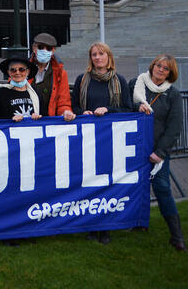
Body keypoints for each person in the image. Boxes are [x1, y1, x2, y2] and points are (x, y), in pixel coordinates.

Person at [72, 41, 131, 244]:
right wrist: (83, 112)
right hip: (87, 139)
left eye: (101, 54)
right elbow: (73, 107)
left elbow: (127, 109)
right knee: (88, 182)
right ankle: (91, 224)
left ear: (109, 57)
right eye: (94, 54)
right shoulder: (82, 79)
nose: (98, 57)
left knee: (107, 183)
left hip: (111, 140)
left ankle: (105, 226)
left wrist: (108, 109)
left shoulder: (119, 80)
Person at [130, 54, 187, 251]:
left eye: (165, 68)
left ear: (170, 73)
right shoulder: (136, 84)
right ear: (152, 65)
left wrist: (161, 152)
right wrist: (137, 105)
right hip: (134, 147)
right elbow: (124, 106)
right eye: (158, 65)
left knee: (162, 188)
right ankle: (138, 223)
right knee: (135, 186)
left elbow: (174, 126)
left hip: (157, 151)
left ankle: (176, 236)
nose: (160, 70)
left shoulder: (173, 94)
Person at [28, 33, 75, 121]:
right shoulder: (21, 69)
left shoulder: (60, 73)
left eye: (49, 48)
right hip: (26, 120)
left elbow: (63, 101)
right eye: (41, 47)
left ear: (53, 51)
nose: (44, 50)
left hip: (49, 121)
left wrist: (66, 111)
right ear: (34, 48)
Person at [0, 56, 41, 122]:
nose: (17, 72)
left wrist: (38, 116)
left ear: (28, 72)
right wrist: (10, 119)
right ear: (8, 72)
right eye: (13, 70)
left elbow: (45, 116)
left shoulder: (36, 92)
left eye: (21, 69)